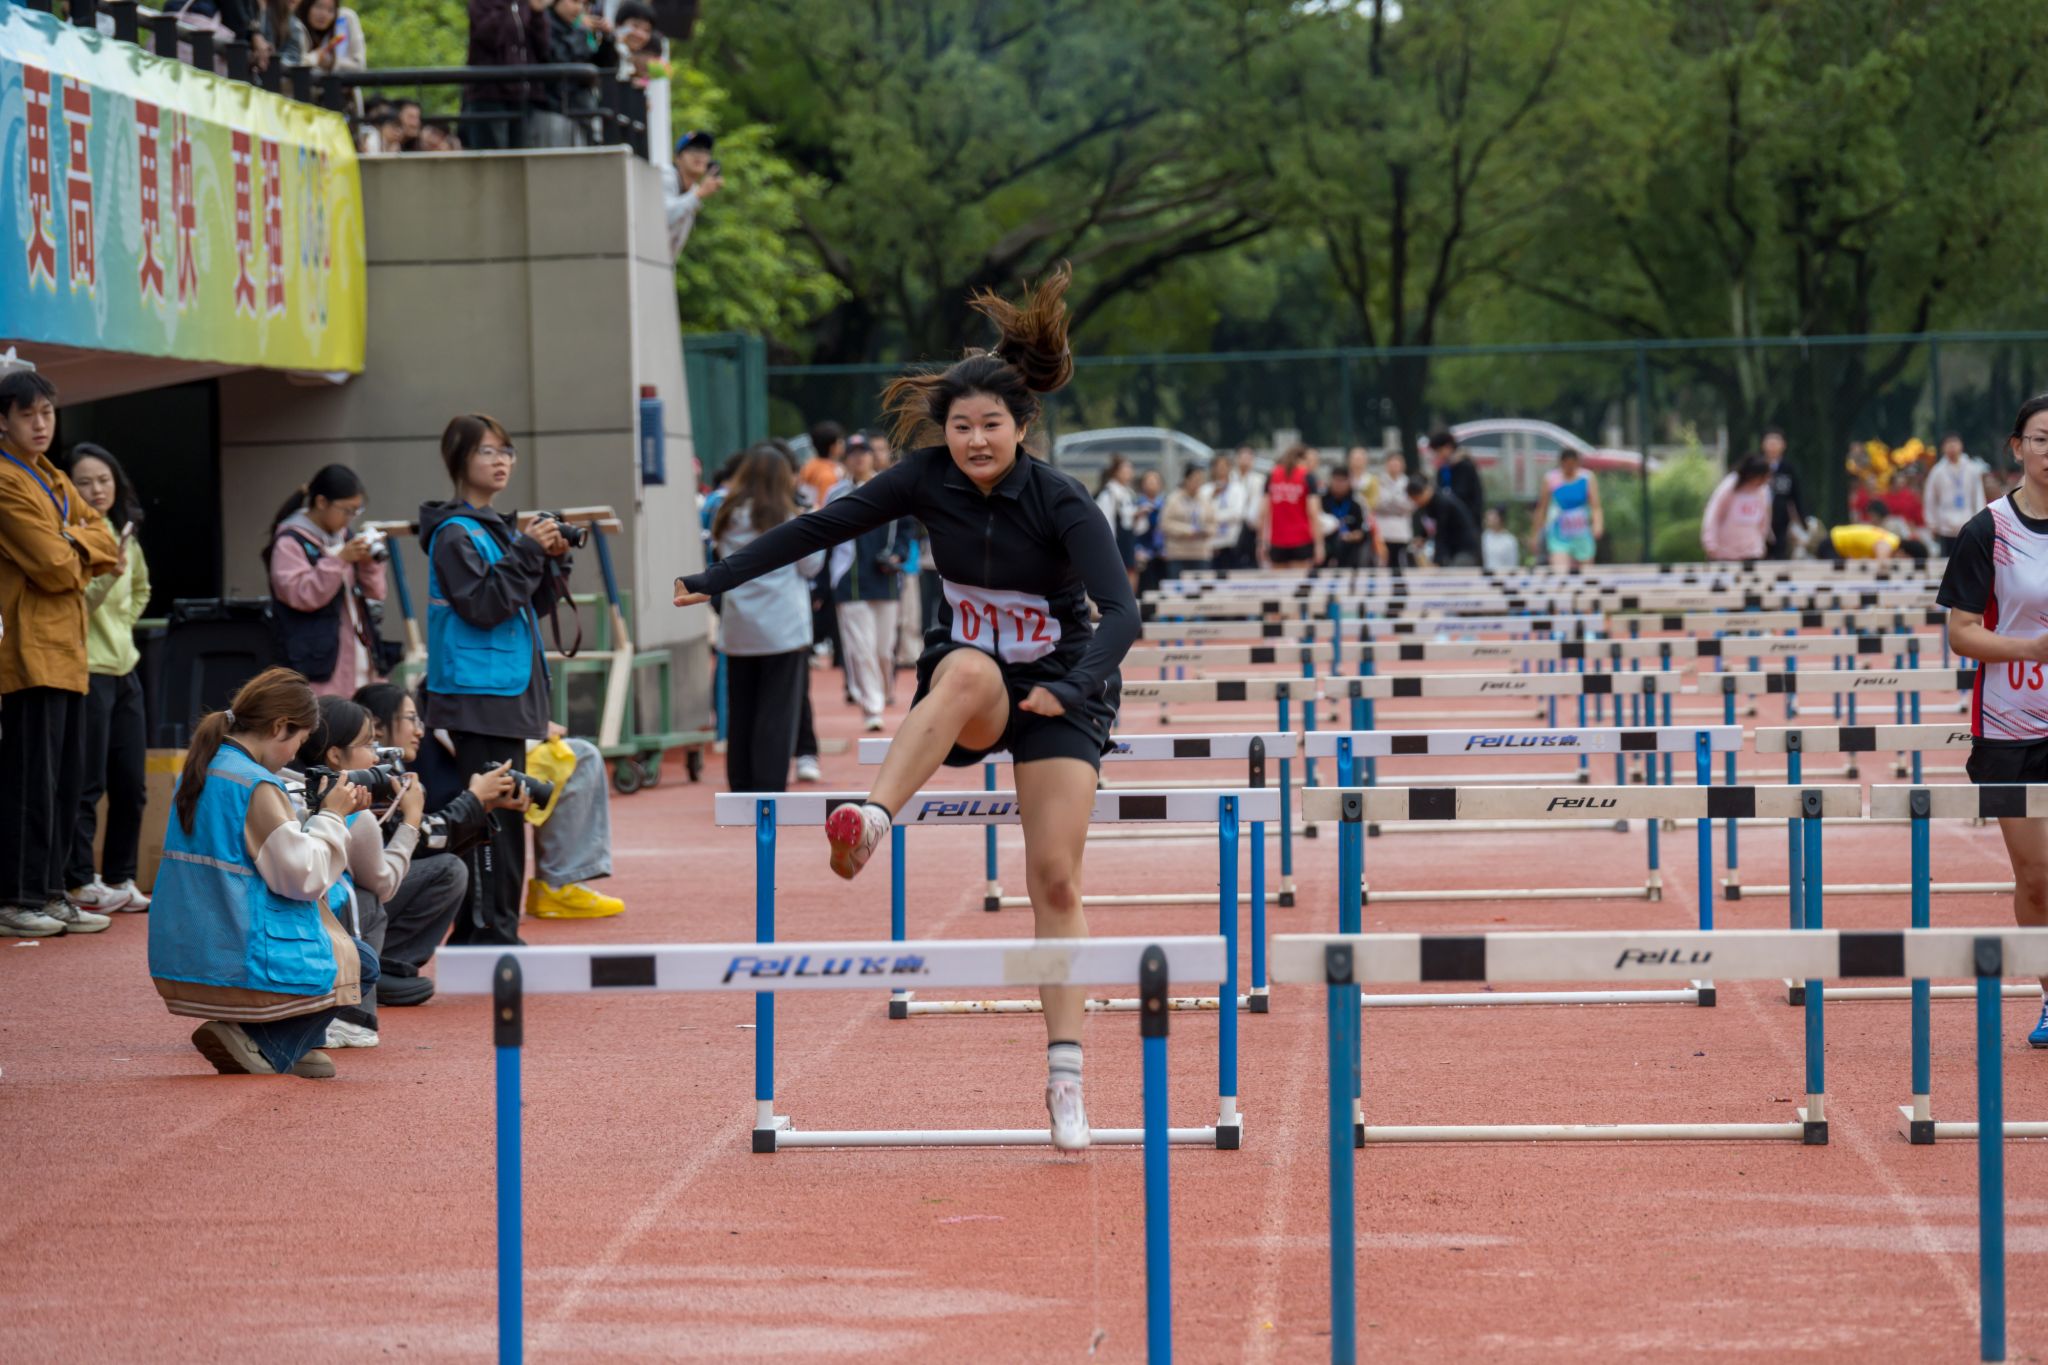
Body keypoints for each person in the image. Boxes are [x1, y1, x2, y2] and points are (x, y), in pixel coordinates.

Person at [674, 265, 1137, 1151]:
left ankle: (1065, 1076)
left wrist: (1074, 687)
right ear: (943, 433)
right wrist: (717, 575)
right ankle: (874, 818)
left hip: (1062, 690)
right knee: (962, 664)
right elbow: (819, 527)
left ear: (1022, 427)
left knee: (1055, 879)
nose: (974, 440)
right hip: (976, 690)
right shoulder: (924, 479)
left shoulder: (1063, 501)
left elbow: (1122, 614)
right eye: (960, 427)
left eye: (990, 426)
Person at [149, 668, 376, 1078]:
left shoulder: (201, 768)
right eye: (299, 741)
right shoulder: (257, 785)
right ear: (279, 727)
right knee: (362, 963)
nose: (293, 756)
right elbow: (303, 879)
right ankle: (267, 1042)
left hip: (190, 954)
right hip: (242, 958)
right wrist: (333, 816)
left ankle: (288, 1040)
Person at [419, 414, 574, 946]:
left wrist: (552, 562)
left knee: (507, 819)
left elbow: (526, 604)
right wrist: (528, 551)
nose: (501, 460)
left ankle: (496, 931)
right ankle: (486, 936)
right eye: (487, 451)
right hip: (477, 696)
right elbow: (484, 606)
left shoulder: (495, 529)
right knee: (492, 820)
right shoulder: (453, 534)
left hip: (500, 693)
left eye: (506, 451)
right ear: (459, 459)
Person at [1937, 395, 2048, 1044]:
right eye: (2041, 439)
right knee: (2037, 878)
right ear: (2017, 448)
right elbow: (1961, 632)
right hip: (2010, 725)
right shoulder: (1988, 531)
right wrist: (2031, 649)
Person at [0, 369, 121, 938]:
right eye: (27, 414)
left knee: (66, 783)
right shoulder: (6, 479)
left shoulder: (50, 474)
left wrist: (73, 540)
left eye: (47, 412)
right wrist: (77, 543)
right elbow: (53, 568)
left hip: (69, 650)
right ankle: (18, 897)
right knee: (31, 781)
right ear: (3, 421)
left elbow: (107, 540)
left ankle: (52, 893)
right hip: (28, 652)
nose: (41, 423)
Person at [289, 695, 427, 1049]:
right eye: (368, 744)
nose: (376, 756)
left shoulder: (278, 789)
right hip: (312, 931)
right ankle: (353, 1016)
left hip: (260, 937)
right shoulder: (355, 814)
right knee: (366, 899)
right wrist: (411, 820)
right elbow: (384, 884)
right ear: (335, 756)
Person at [61, 444, 153, 915]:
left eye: (104, 480)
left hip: (125, 668)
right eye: (85, 482)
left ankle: (120, 877)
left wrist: (121, 626)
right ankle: (79, 881)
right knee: (86, 782)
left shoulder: (124, 533)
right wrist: (107, 577)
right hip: (87, 669)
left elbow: (142, 589)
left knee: (131, 783)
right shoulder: (69, 535)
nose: (97, 490)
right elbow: (73, 606)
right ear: (68, 487)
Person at [709, 446, 826, 789]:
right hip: (783, 627)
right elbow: (811, 567)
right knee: (777, 711)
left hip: (739, 626)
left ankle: (740, 783)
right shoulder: (792, 518)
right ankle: (769, 788)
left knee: (741, 709)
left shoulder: (726, 517)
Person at [266, 463, 389, 699]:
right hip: (316, 663)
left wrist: (369, 564)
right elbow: (301, 595)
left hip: (357, 652)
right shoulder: (291, 541)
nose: (350, 518)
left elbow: (375, 593)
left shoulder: (345, 536)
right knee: (328, 717)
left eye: (356, 510)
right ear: (321, 502)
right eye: (346, 510)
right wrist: (339, 560)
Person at [829, 438, 913, 732]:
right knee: (861, 648)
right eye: (852, 454)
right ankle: (872, 708)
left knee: (884, 650)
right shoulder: (836, 493)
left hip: (885, 579)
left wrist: (897, 555)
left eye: (863, 453)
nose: (859, 459)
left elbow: (906, 529)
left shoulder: (891, 488)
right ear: (845, 459)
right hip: (850, 580)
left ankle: (884, 691)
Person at [465, 0, 551, 151]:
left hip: (523, 96)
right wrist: (507, 7)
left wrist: (537, 13)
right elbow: (488, 36)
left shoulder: (524, 5)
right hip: (490, 94)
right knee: (493, 157)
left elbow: (543, 48)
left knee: (521, 158)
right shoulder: (481, 4)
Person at [1530, 448, 1602, 570]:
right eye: (1567, 464)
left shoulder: (1586, 478)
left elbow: (1595, 506)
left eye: (1573, 464)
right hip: (1559, 533)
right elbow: (1542, 508)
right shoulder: (1551, 478)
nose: (1570, 468)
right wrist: (1536, 534)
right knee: (1560, 569)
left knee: (1586, 570)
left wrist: (1598, 524)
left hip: (1581, 531)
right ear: (1562, 463)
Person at [1259, 442, 1324, 573]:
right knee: (1299, 582)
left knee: (1280, 583)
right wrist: (1319, 545)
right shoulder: (1307, 477)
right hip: (1302, 539)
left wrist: (1261, 543)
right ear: (1302, 459)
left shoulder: (1272, 476)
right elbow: (1313, 513)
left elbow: (1262, 513)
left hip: (1277, 540)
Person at [1699, 454, 1774, 562]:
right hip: (1725, 552)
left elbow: (1764, 519)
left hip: (1751, 551)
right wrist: (1710, 542)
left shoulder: (1762, 490)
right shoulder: (1730, 485)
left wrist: (1761, 541)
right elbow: (1713, 513)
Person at [665, 129, 724, 257]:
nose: (699, 156)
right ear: (678, 157)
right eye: (693, 149)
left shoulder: (693, 190)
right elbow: (663, 217)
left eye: (705, 151)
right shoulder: (665, 175)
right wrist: (699, 193)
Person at [1926, 433, 1988, 557]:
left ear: (1961, 446)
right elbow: (1930, 498)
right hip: (1945, 526)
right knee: (1947, 562)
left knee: (1968, 560)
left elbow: (1978, 496)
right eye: (1948, 444)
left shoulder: (1972, 469)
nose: (1952, 447)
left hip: (1968, 523)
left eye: (1955, 443)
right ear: (1943, 448)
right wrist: (1932, 522)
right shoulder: (1937, 471)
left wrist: (1980, 520)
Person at [1409, 477, 1479, 567]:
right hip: (1452, 548)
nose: (1416, 503)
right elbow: (1431, 526)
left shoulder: (1442, 501)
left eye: (1416, 499)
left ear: (1424, 492)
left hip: (1465, 548)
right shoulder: (1430, 504)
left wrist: (1437, 561)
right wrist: (1423, 537)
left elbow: (1441, 532)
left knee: (1454, 573)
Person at [1161, 462, 1213, 579]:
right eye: (1195, 479)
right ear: (1186, 479)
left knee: (1201, 587)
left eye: (1201, 479)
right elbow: (1165, 524)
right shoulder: (1173, 499)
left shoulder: (1205, 499)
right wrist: (1188, 530)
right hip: (1178, 553)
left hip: (1201, 553)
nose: (1198, 483)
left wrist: (1206, 531)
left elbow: (1213, 523)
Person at [1761, 427, 1805, 560]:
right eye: (1770, 442)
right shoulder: (1757, 467)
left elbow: (1796, 496)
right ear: (1763, 444)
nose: (1773, 446)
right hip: (1759, 518)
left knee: (1780, 553)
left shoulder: (1788, 469)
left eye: (1776, 443)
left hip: (1781, 519)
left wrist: (1803, 521)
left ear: (1783, 445)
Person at [1320, 467, 1377, 569]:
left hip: (1351, 547)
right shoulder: (1321, 501)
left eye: (1343, 481)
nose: (1339, 484)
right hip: (1326, 544)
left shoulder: (1357, 502)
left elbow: (1364, 529)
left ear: (1349, 482)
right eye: (1336, 480)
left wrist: (1352, 536)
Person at [295, 0, 366, 74]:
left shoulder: (345, 19)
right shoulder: (296, 26)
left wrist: (330, 62)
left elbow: (359, 66)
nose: (324, 14)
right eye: (319, 7)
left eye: (330, 10)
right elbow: (295, 63)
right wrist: (315, 57)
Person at [1430, 430, 1484, 526]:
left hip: (1468, 521)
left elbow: (1462, 494)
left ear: (1448, 447)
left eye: (1439, 451)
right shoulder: (1443, 469)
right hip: (1450, 522)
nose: (1437, 455)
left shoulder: (1465, 466)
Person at [1373, 451, 1416, 567]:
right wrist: (1396, 503)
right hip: (1383, 530)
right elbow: (1377, 503)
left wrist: (1391, 502)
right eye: (1391, 463)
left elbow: (1410, 505)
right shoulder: (1377, 482)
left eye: (1397, 463)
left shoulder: (1408, 482)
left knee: (1401, 563)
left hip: (1402, 531)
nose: (1394, 466)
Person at [1132, 469, 1167, 593]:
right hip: (1143, 553)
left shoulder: (1166, 504)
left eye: (1155, 481)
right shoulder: (1136, 504)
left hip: (1164, 554)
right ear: (1143, 484)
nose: (1151, 484)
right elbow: (1132, 531)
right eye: (1148, 481)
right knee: (1146, 589)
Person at [1480, 507, 1520, 571]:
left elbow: (1513, 563)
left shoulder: (1510, 540)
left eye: (1493, 518)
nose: (1489, 520)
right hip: (1486, 575)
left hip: (1503, 574)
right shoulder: (1483, 537)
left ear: (1500, 518)